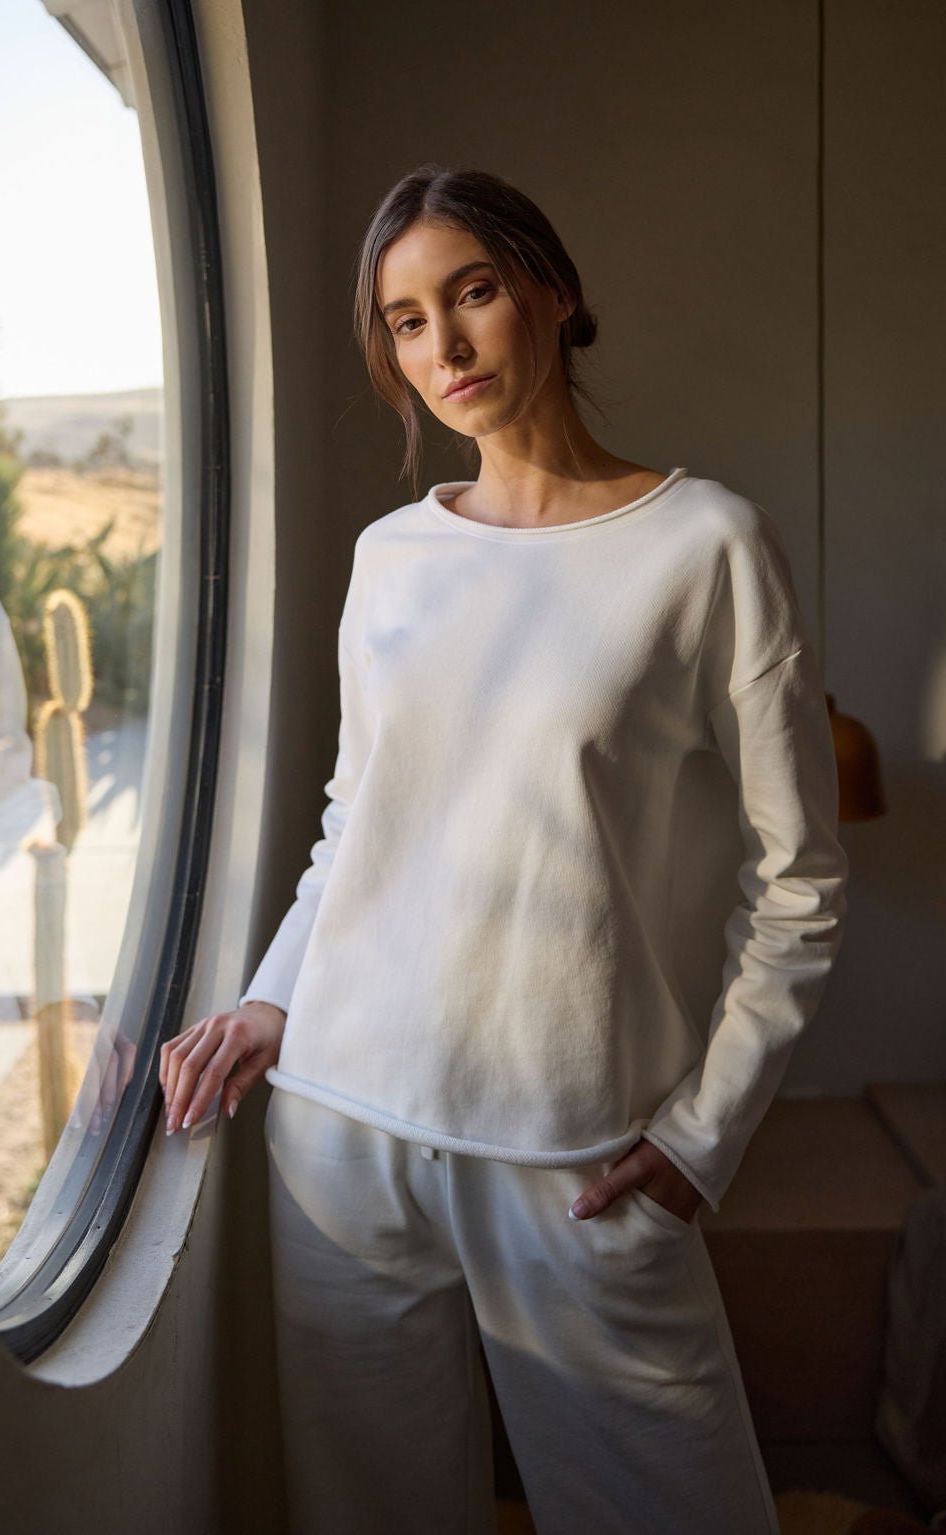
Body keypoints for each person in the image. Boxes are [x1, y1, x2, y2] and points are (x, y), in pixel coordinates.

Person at [159, 163, 849, 1535]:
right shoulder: (389, 556)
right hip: (344, 1127)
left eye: (471, 294)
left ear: (554, 293)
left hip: (574, 1149)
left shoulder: (706, 545)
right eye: (407, 321)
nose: (446, 348)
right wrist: (274, 995)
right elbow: (358, 820)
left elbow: (804, 880)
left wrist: (705, 1133)